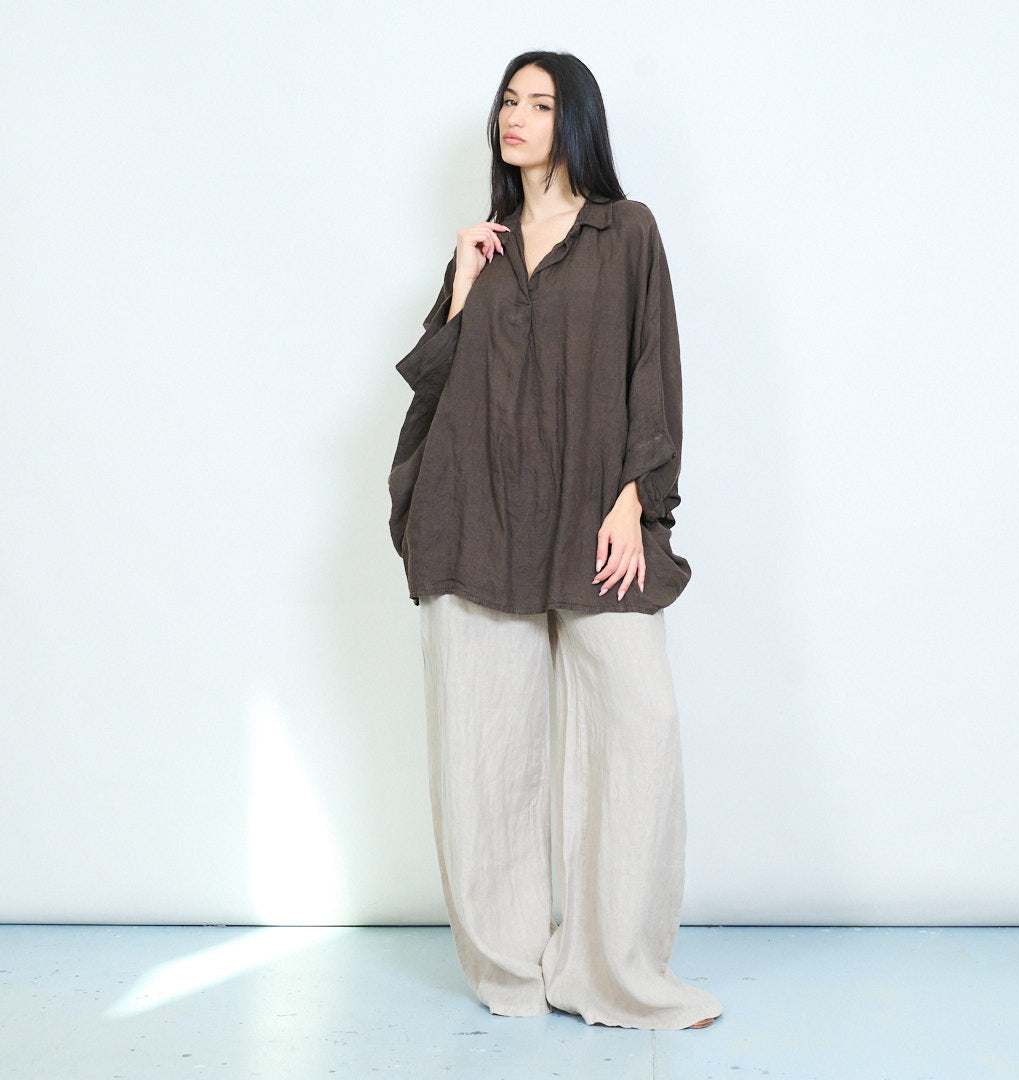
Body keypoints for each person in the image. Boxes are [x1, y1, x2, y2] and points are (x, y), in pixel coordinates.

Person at [388, 50, 722, 1031]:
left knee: (639, 727)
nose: (517, 116)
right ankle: (510, 972)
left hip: (592, 519)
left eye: (540, 103)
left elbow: (653, 367)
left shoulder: (628, 232)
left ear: (575, 120)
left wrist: (636, 500)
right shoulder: (483, 247)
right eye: (509, 100)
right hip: (476, 518)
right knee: (484, 750)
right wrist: (460, 285)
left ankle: (612, 972)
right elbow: (438, 389)